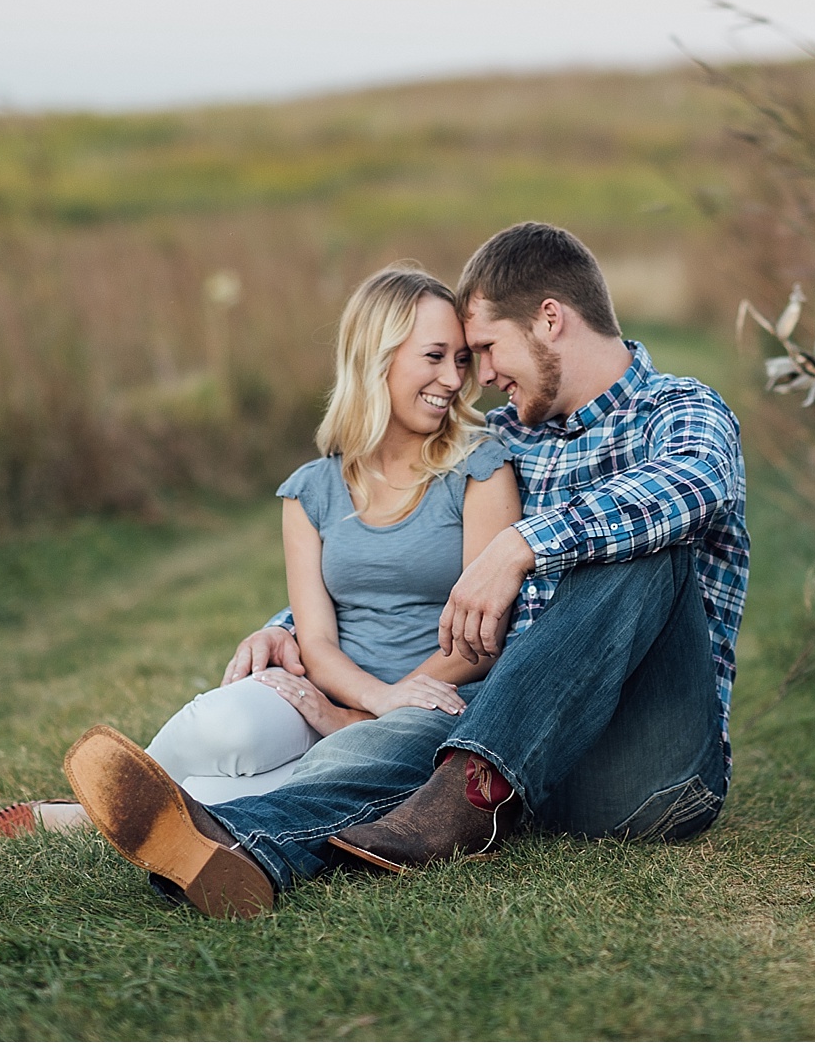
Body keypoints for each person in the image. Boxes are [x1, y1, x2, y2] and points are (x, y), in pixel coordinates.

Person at [63, 222, 748, 918]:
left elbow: (694, 483)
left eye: (483, 349)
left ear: (550, 319)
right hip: (522, 753)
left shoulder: (679, 411)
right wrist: (291, 627)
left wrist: (520, 547)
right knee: (399, 738)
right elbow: (409, 543)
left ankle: (462, 792)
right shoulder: (507, 438)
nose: (476, 378)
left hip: (648, 765)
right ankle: (242, 846)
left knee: (643, 544)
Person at [0, 264, 520, 849]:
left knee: (299, 781)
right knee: (224, 723)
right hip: (334, 689)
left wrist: (379, 715)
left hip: (432, 704)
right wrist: (364, 699)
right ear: (378, 357)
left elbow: (480, 634)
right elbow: (315, 641)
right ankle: (113, 801)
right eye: (435, 356)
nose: (453, 378)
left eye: (462, 360)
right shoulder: (310, 491)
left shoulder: (480, 468)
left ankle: (95, 821)